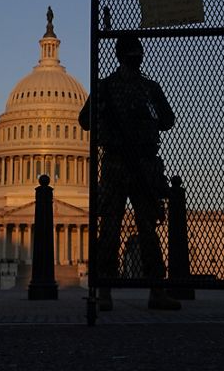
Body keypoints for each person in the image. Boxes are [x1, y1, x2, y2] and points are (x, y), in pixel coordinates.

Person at [78, 35, 182, 312]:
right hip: (128, 163)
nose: (137, 57)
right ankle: (141, 290)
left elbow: (167, 120)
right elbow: (168, 120)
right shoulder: (141, 88)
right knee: (130, 228)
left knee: (123, 227)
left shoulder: (112, 86)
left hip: (130, 164)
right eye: (136, 53)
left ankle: (108, 291)